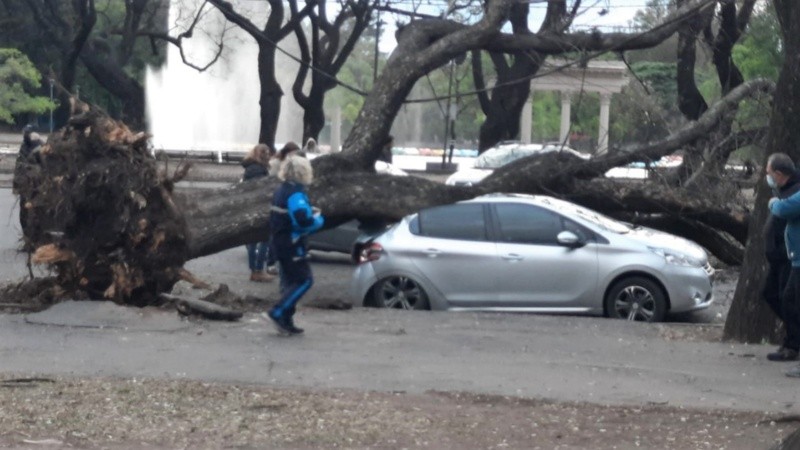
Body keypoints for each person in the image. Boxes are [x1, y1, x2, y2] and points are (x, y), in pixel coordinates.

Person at [267, 153, 324, 335]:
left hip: (279, 242)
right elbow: (302, 220)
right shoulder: (296, 194)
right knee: (304, 280)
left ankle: (286, 320)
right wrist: (318, 220)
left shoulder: (281, 189)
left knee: (288, 282)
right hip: (292, 244)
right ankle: (278, 311)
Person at [764, 153, 800, 362]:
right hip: (791, 255)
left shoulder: (795, 194)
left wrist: (773, 203)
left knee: (789, 299)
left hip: (793, 257)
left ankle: (793, 343)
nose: (767, 177)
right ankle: (792, 341)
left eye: (769, 173)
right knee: (784, 297)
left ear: (778, 173)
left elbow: (783, 208)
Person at [241, 144, 275, 283]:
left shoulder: (250, 168)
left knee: (253, 240)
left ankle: (253, 270)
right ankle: (258, 270)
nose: (268, 156)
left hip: (250, 207)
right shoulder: (259, 170)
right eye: (266, 153)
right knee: (264, 238)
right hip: (259, 207)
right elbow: (261, 190)